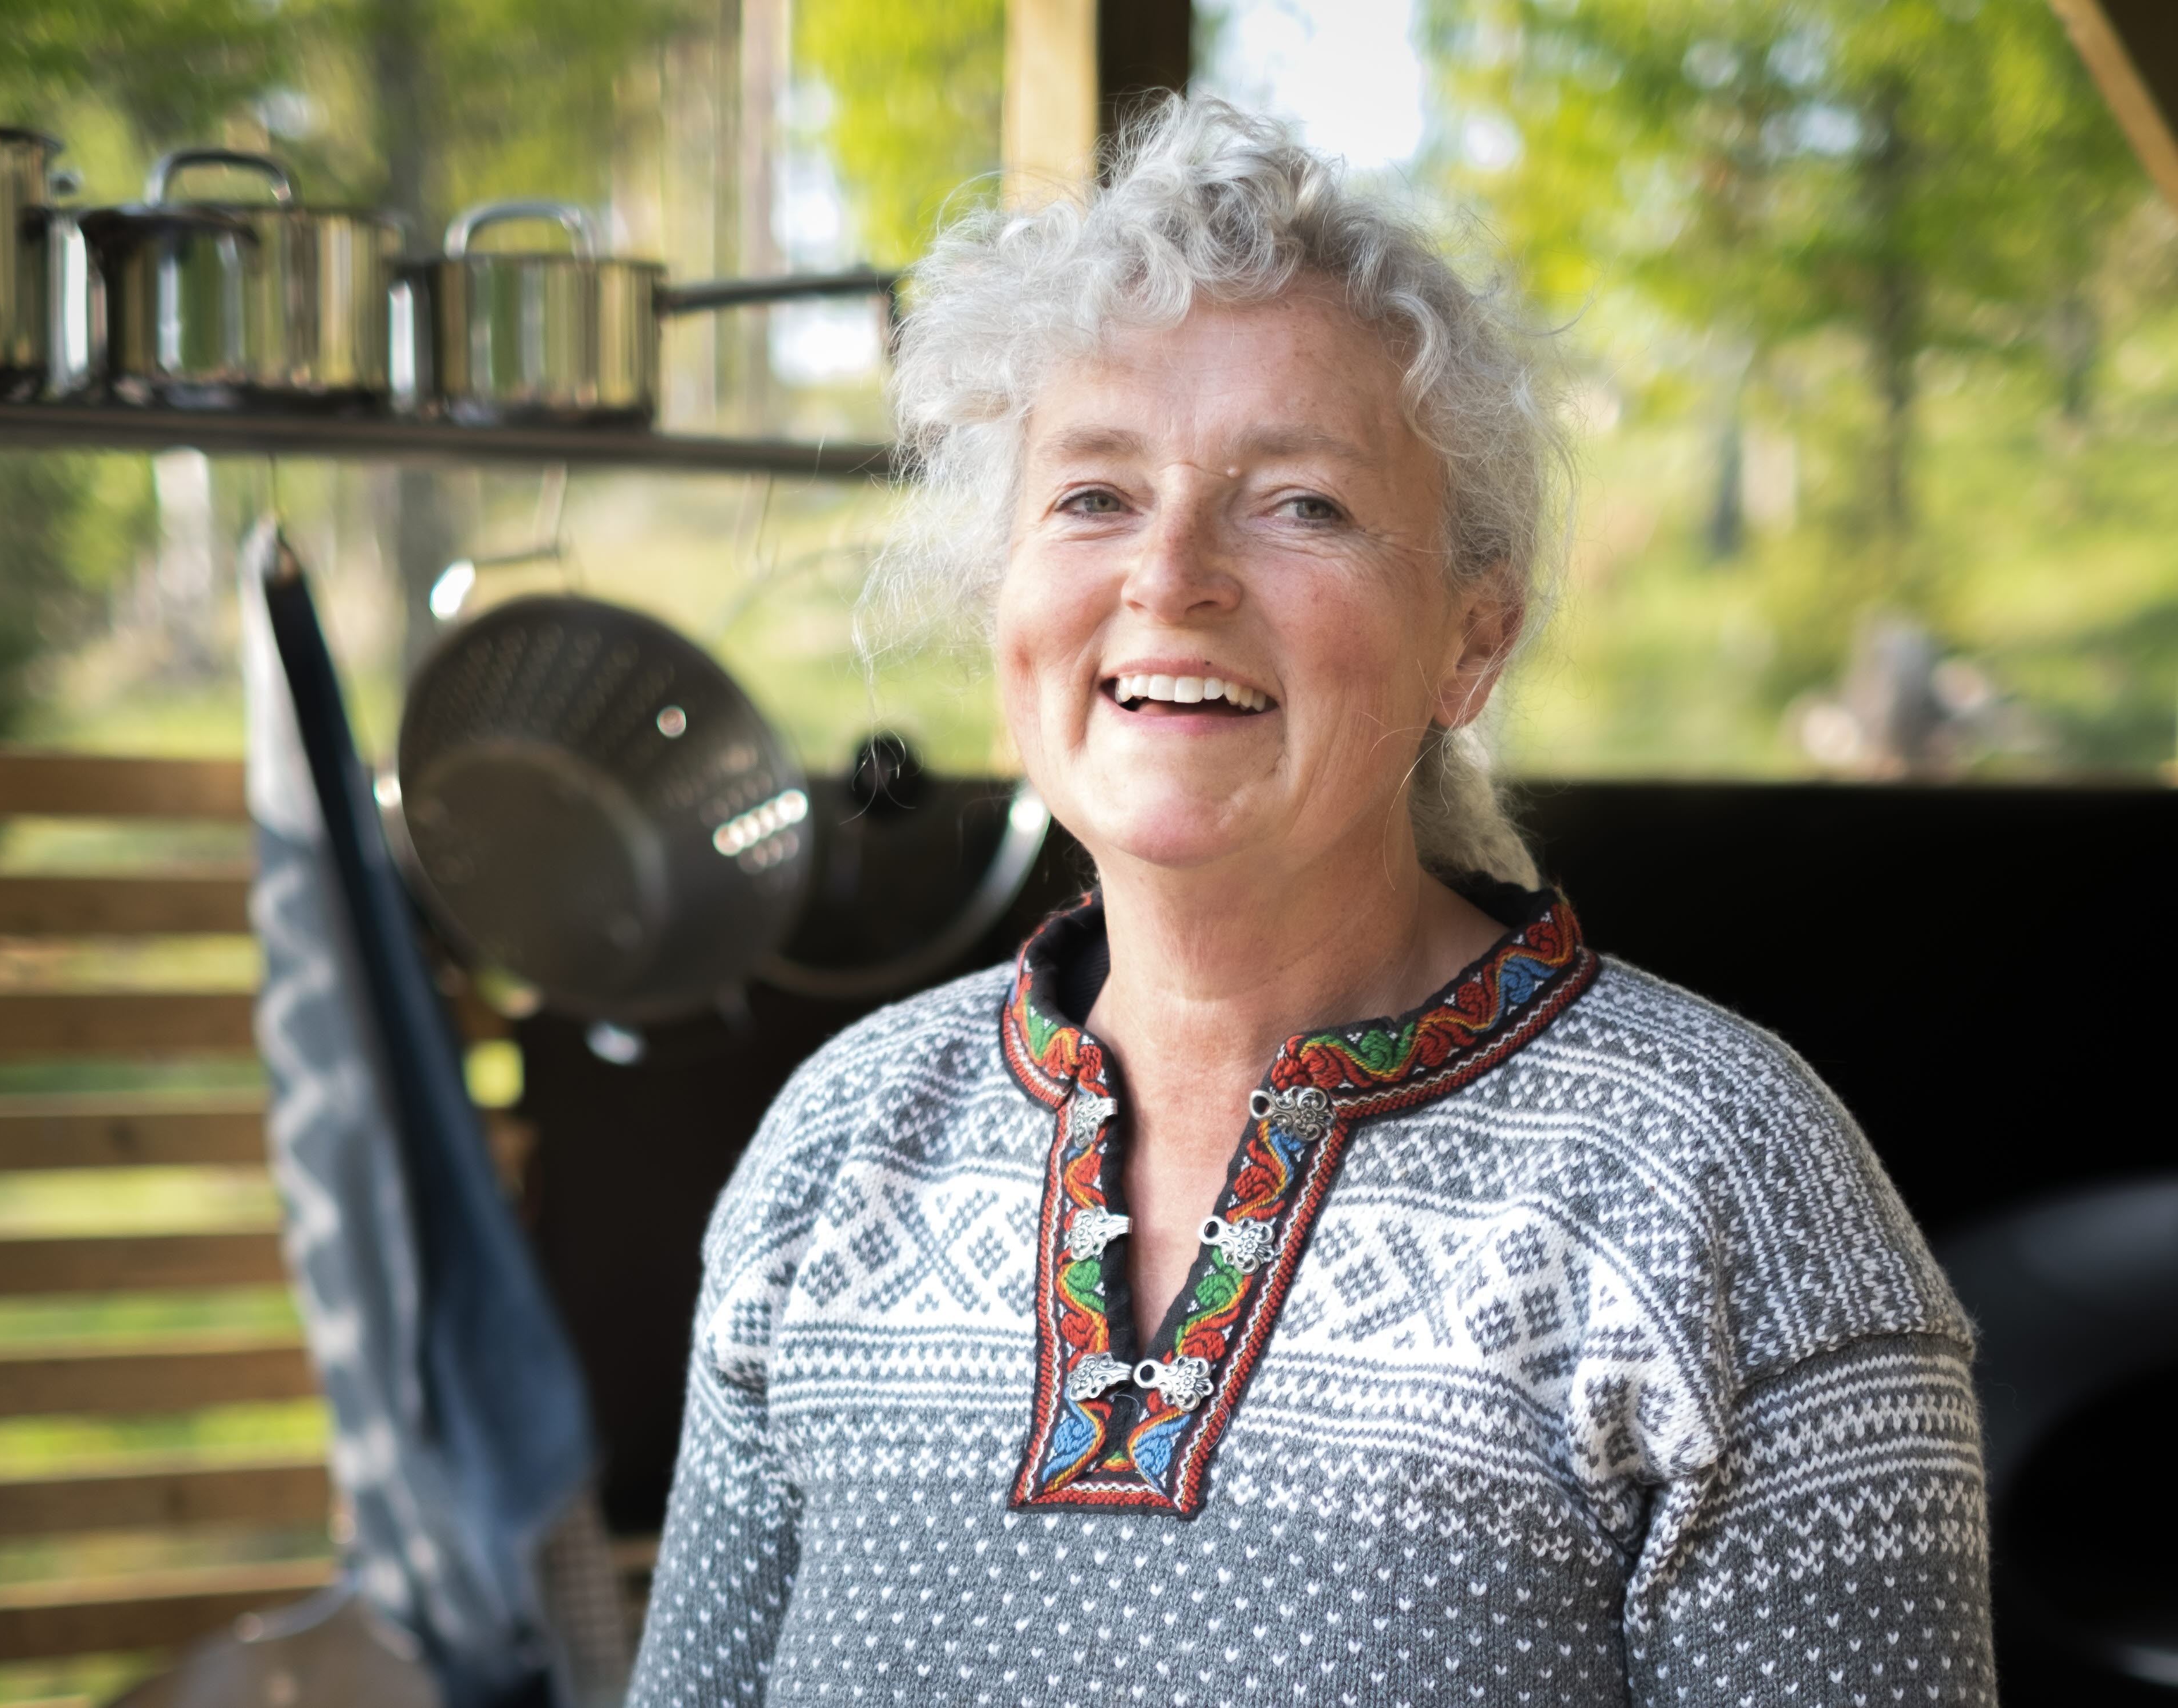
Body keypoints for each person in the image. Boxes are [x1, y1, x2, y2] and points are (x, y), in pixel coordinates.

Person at [626, 97, 1992, 1707]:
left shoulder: (1724, 1183)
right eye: (1093, 495)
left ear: (1469, 642)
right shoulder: (842, 1147)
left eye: (1302, 503)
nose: (1172, 574)